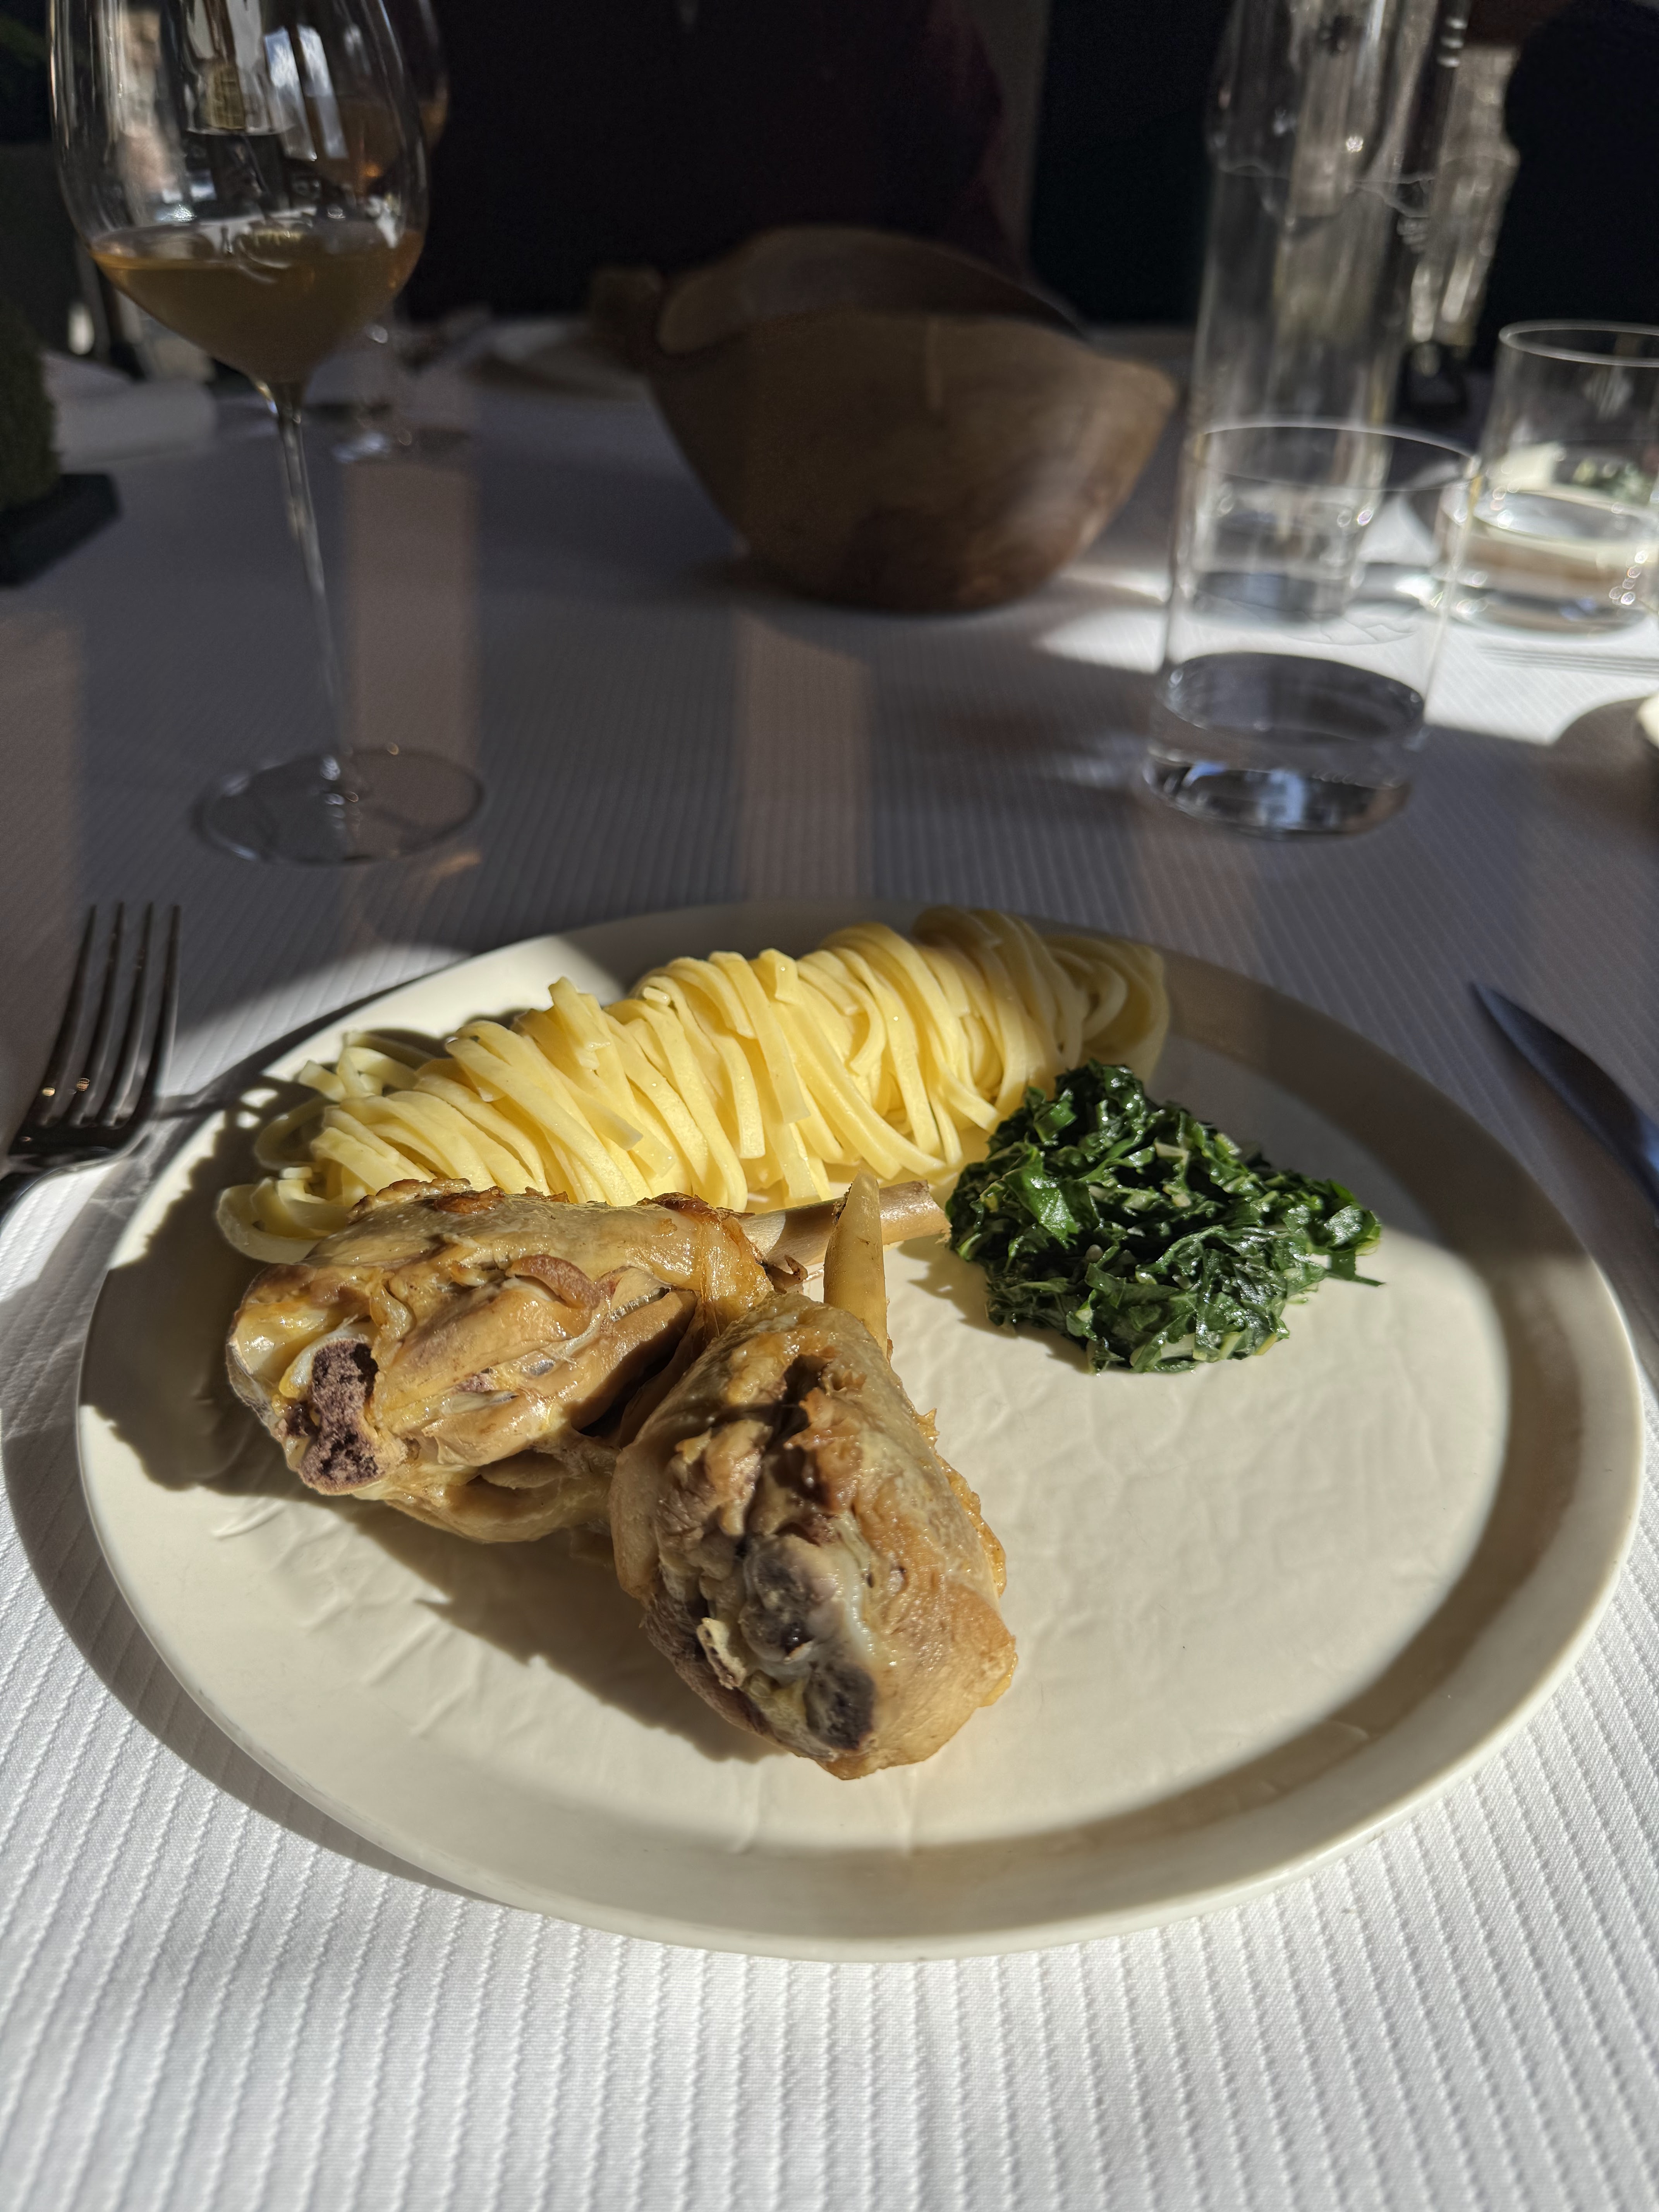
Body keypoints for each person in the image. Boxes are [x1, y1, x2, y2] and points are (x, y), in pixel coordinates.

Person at [408, 0, 1015, 320]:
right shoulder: (488, 20)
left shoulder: (895, 18)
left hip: (826, 447)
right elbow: (426, 276)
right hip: (510, 444)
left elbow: (979, 288)